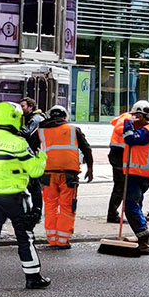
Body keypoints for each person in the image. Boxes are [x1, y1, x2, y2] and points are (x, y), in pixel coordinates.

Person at [0, 101, 50, 289]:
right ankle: (33, 276)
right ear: (13, 119)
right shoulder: (18, 143)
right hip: (16, 196)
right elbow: (35, 171)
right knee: (24, 235)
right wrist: (42, 156)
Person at [37, 105, 95, 249]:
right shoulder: (73, 130)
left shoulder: (41, 131)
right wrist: (90, 169)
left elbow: (30, 149)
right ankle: (62, 241)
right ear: (64, 116)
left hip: (48, 174)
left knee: (50, 206)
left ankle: (52, 239)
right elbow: (86, 149)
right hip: (69, 175)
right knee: (67, 207)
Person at [121, 101, 149, 255]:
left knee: (131, 207)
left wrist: (127, 123)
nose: (133, 118)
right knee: (136, 205)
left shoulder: (145, 132)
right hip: (141, 175)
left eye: (135, 116)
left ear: (141, 116)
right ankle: (143, 236)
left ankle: (144, 236)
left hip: (138, 175)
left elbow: (129, 138)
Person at [106, 106, 138, 223]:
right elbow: (121, 130)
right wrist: (132, 129)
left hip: (119, 154)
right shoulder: (128, 119)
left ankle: (115, 213)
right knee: (120, 186)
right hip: (120, 155)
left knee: (121, 186)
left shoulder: (125, 117)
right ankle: (112, 214)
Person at [19, 98, 46, 222]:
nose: (21, 108)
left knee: (34, 186)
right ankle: (33, 211)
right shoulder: (33, 118)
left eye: (23, 106)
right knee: (31, 186)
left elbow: (26, 133)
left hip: (34, 157)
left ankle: (36, 212)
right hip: (33, 156)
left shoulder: (35, 119)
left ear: (30, 107)